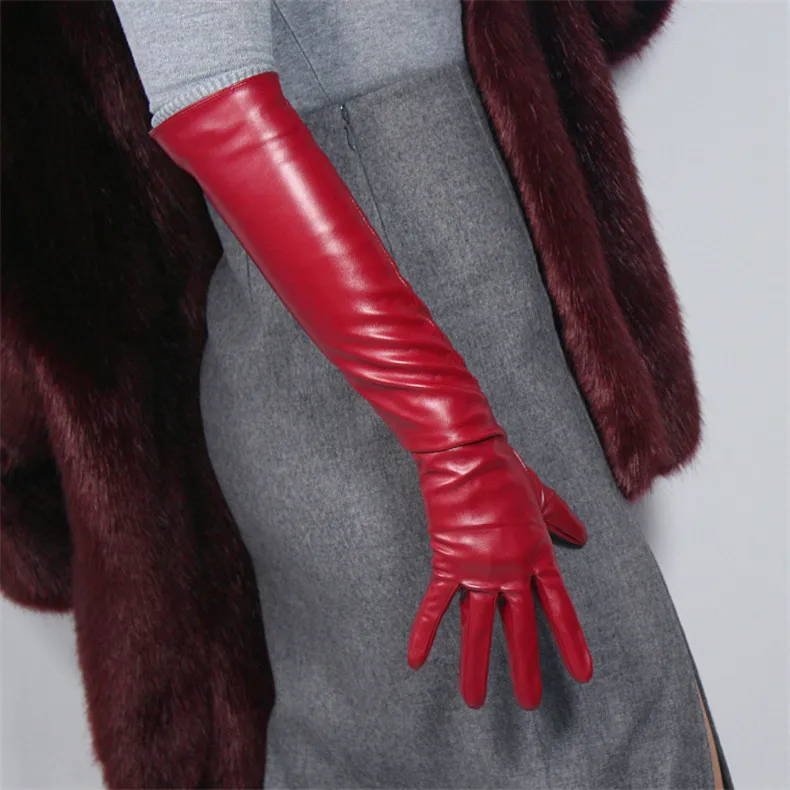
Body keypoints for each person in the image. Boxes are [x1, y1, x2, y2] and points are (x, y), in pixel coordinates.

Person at [1, 1, 730, 787]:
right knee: (625, 748)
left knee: (639, 739)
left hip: (462, 312)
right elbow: (213, 104)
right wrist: (457, 442)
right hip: (393, 371)